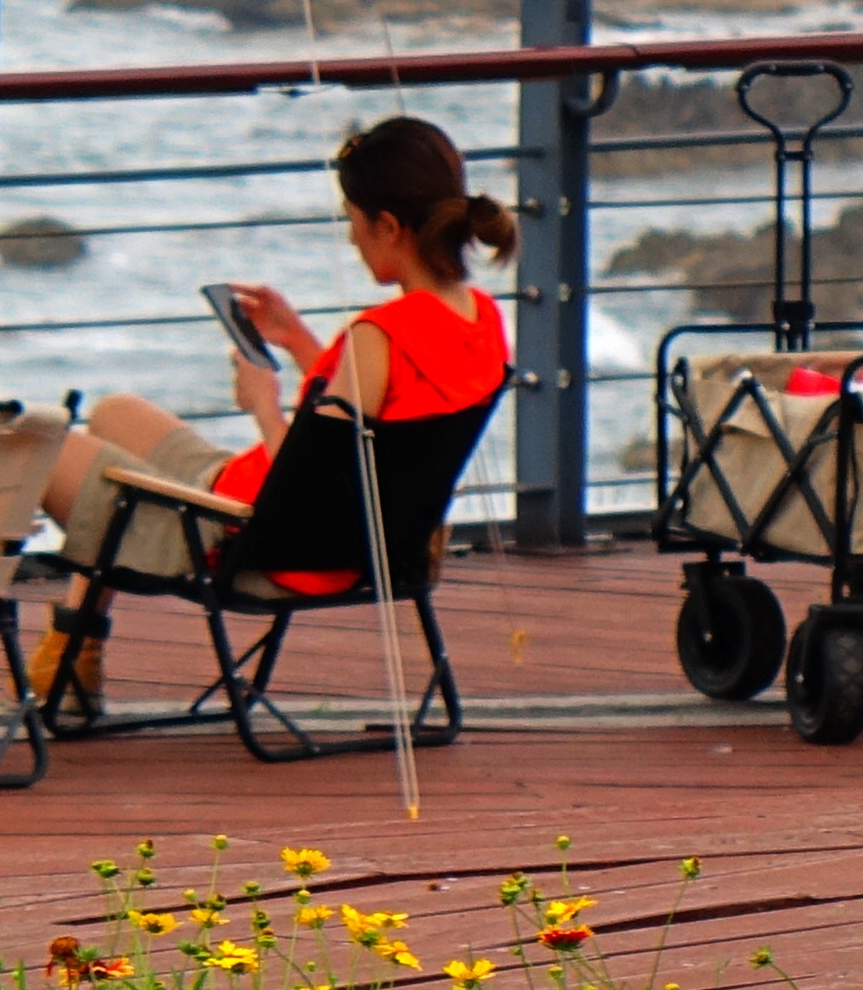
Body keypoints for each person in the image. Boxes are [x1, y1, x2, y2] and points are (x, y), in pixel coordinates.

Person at [43, 115, 512, 664]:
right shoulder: (481, 320)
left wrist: (262, 405)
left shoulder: (378, 336)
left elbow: (309, 499)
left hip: (245, 539)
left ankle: (59, 661)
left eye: (354, 220)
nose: (350, 237)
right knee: (115, 413)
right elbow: (383, 425)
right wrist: (297, 340)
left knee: (41, 446)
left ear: (387, 227)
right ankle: (69, 664)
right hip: (362, 541)